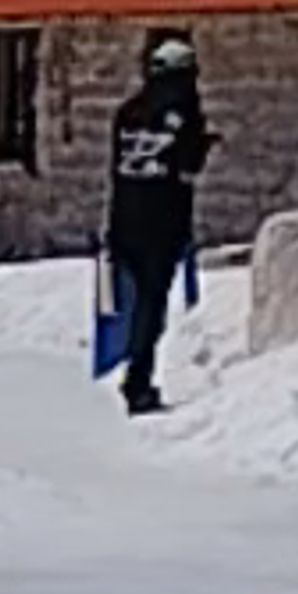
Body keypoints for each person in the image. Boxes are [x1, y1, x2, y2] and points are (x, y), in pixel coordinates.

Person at [102, 30, 211, 414]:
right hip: (160, 222)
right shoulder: (185, 112)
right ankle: (137, 381)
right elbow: (187, 164)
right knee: (152, 305)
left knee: (131, 303)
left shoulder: (127, 111)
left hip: (123, 217)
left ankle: (127, 368)